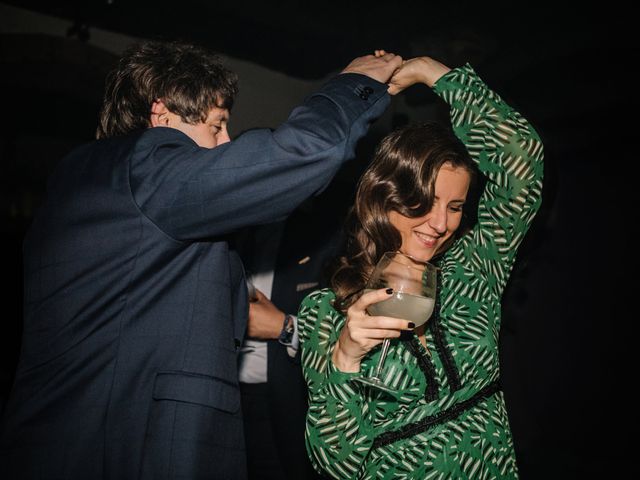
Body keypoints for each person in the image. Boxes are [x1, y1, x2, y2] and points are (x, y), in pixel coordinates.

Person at [0, 40, 404, 479]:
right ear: (162, 116)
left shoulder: (83, 181)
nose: (225, 141)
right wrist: (354, 85)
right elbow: (297, 155)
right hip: (138, 445)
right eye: (218, 125)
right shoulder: (149, 166)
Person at [297, 54, 544, 479]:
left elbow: (521, 162)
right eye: (425, 202)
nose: (440, 223)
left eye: (455, 206)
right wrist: (345, 357)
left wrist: (435, 74)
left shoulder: (475, 267)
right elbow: (334, 465)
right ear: (385, 197)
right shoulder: (327, 312)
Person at [236, 189, 349, 480]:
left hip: (288, 405)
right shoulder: (230, 230)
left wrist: (285, 328)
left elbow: (345, 335)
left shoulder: (329, 233)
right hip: (226, 398)